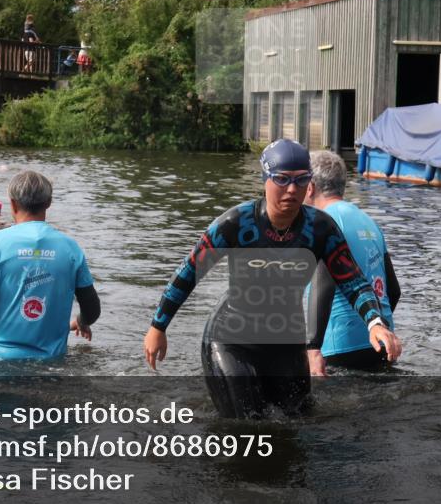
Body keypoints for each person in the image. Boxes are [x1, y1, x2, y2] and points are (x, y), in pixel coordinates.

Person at [143, 139, 402, 419]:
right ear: (265, 179)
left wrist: (375, 323)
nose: (292, 189)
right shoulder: (235, 223)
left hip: (286, 343)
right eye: (282, 180)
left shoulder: (320, 228)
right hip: (232, 341)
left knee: (300, 422)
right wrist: (158, 327)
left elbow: (353, 280)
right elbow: (187, 274)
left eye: (301, 180)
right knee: (248, 426)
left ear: (309, 183)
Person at [0, 170, 100, 360]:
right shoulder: (70, 247)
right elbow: (92, 310)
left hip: (0, 359)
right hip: (52, 360)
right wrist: (81, 321)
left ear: (12, 204)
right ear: (49, 203)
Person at [305, 151, 401, 373]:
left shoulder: (322, 223)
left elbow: (324, 284)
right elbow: (393, 291)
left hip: (338, 347)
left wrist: (313, 347)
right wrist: (376, 325)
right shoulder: (369, 222)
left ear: (310, 187)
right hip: (382, 342)